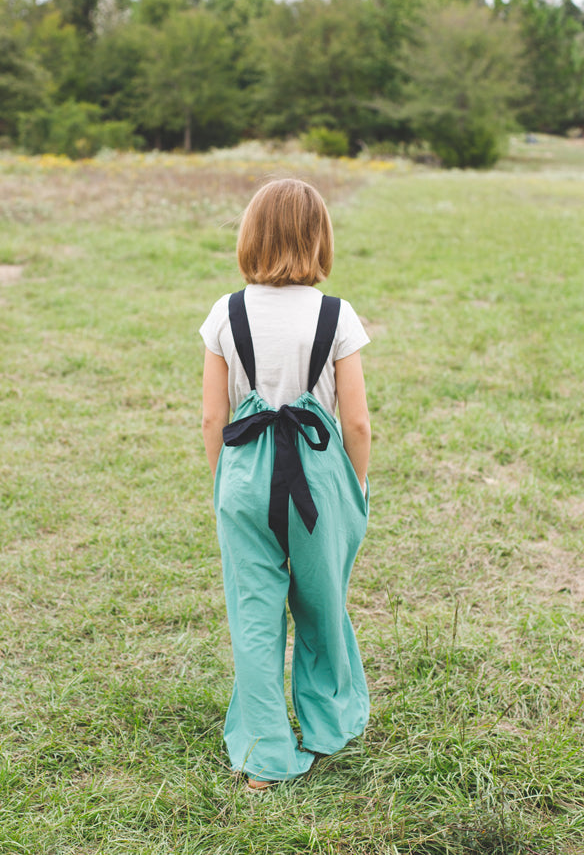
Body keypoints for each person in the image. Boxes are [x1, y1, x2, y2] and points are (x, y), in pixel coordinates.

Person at [200, 178, 371, 789]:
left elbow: (213, 417)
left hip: (245, 471)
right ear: (318, 236)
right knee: (324, 604)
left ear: (251, 235)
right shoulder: (335, 315)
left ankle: (264, 757)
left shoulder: (226, 312)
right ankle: (327, 726)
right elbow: (355, 419)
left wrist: (225, 484)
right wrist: (356, 487)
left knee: (254, 613)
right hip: (319, 476)